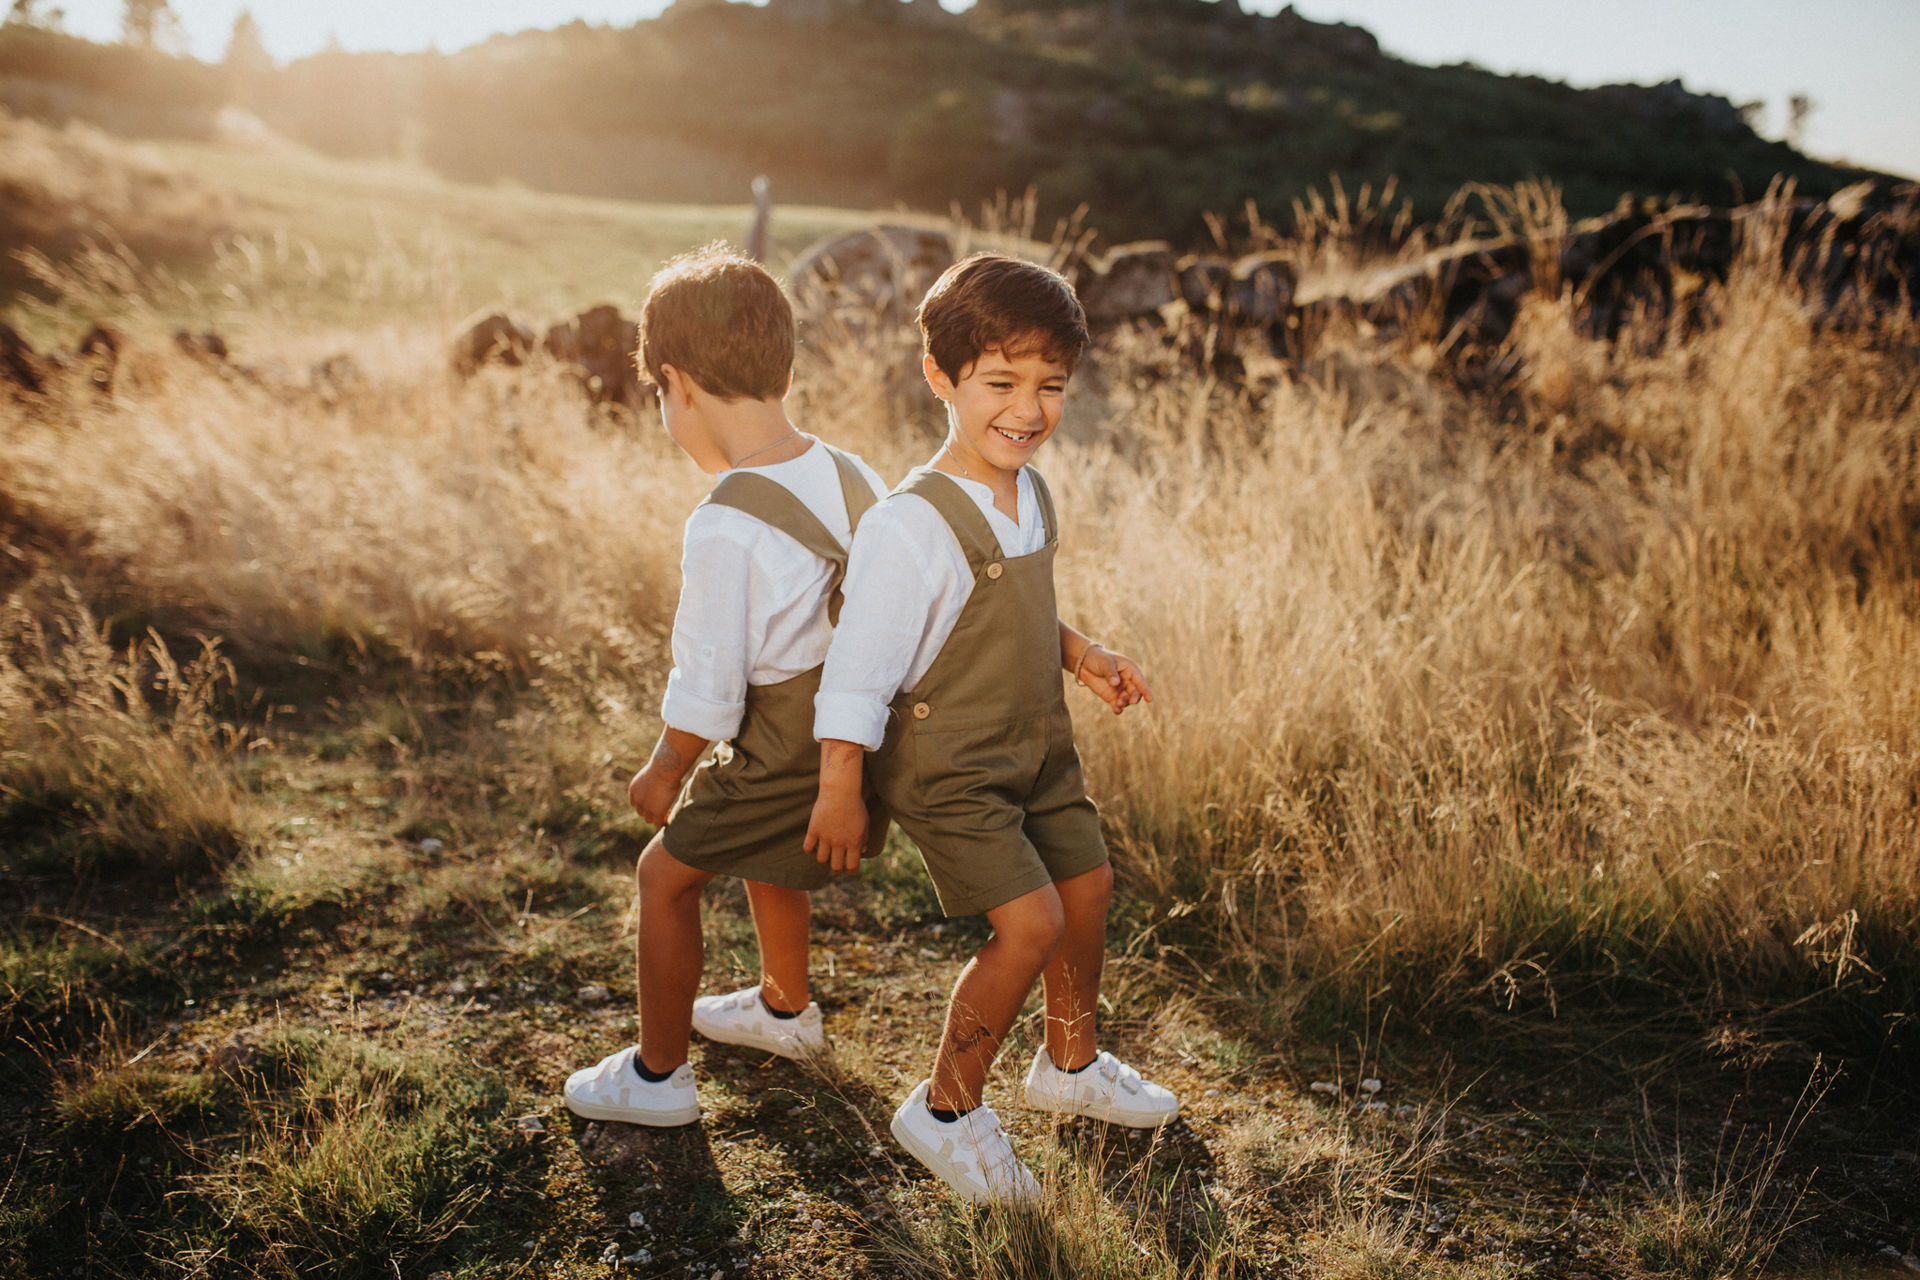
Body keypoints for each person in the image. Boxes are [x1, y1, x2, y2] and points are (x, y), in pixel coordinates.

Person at [805, 253, 1177, 1203]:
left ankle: (1069, 1064)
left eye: (1051, 386)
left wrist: (1083, 653)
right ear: (942, 377)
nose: (1029, 408)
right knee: (1031, 923)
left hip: (1040, 743)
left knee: (1087, 884)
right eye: (1001, 382)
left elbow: (1010, 607)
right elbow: (859, 668)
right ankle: (945, 1110)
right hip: (951, 763)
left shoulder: (1030, 493)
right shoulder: (908, 524)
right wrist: (841, 783)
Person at [564, 243, 888, 1127]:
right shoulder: (851, 470)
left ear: (678, 385)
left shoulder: (724, 524)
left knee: (664, 876)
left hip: (783, 741)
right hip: (851, 730)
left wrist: (666, 770)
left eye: (661, 400)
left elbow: (707, 688)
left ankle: (658, 1077)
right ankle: (786, 1011)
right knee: (764, 854)